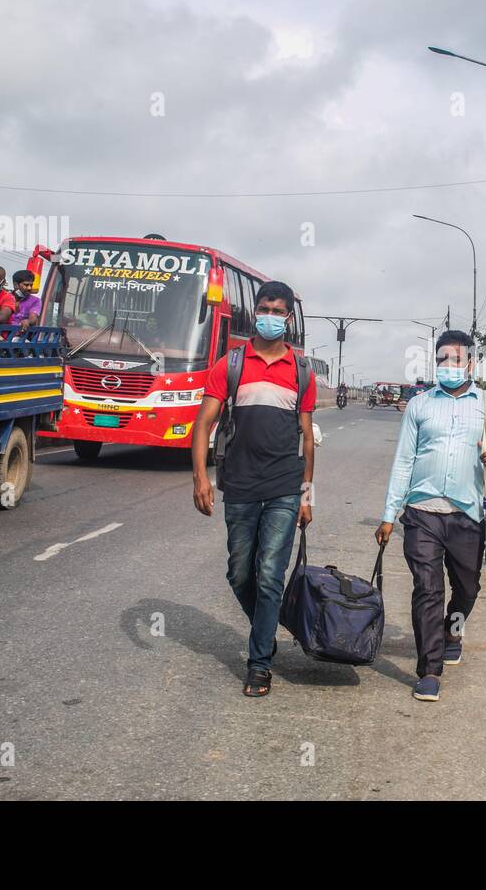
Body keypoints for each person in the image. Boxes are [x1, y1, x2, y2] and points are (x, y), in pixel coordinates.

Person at [191, 280, 316, 699]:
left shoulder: (301, 371)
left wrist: (306, 494)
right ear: (255, 312)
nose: (271, 315)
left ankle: (259, 662)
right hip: (240, 486)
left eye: (279, 310)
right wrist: (200, 477)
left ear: (288, 318)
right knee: (240, 572)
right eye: (265, 308)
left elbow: (307, 438)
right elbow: (203, 424)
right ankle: (267, 627)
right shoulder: (231, 363)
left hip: (283, 486)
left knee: (268, 576)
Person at [378, 331, 486, 702]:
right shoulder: (419, 405)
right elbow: (404, 460)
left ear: (470, 364)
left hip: (468, 512)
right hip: (422, 512)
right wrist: (390, 514)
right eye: (442, 360)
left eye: (456, 360)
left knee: (467, 588)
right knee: (427, 588)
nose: (448, 367)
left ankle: (453, 630)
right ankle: (429, 669)